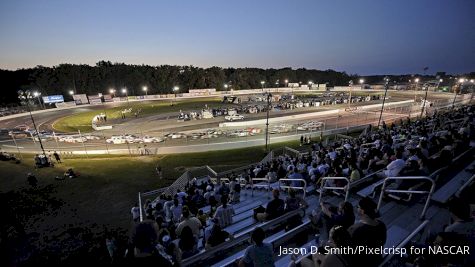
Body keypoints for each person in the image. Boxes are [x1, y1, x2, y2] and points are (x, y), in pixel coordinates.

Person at [348, 197, 387, 267]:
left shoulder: (356, 230)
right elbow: (383, 242)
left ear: (362, 211)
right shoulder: (381, 224)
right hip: (376, 259)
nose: (357, 208)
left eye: (358, 207)